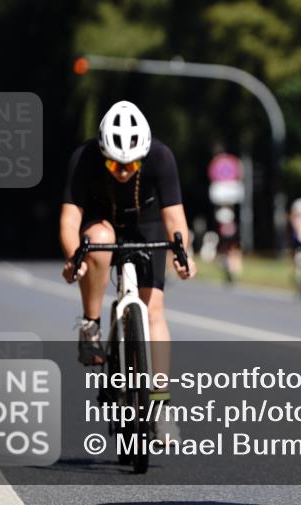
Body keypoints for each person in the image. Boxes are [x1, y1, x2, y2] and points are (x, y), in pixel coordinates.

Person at [59, 101, 195, 436]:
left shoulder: (161, 157)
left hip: (145, 224)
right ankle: (91, 325)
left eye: (131, 163)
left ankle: (161, 406)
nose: (122, 171)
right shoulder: (84, 158)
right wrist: (74, 257)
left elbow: (175, 217)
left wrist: (182, 253)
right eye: (114, 163)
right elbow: (70, 218)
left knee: (154, 310)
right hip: (101, 222)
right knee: (99, 241)